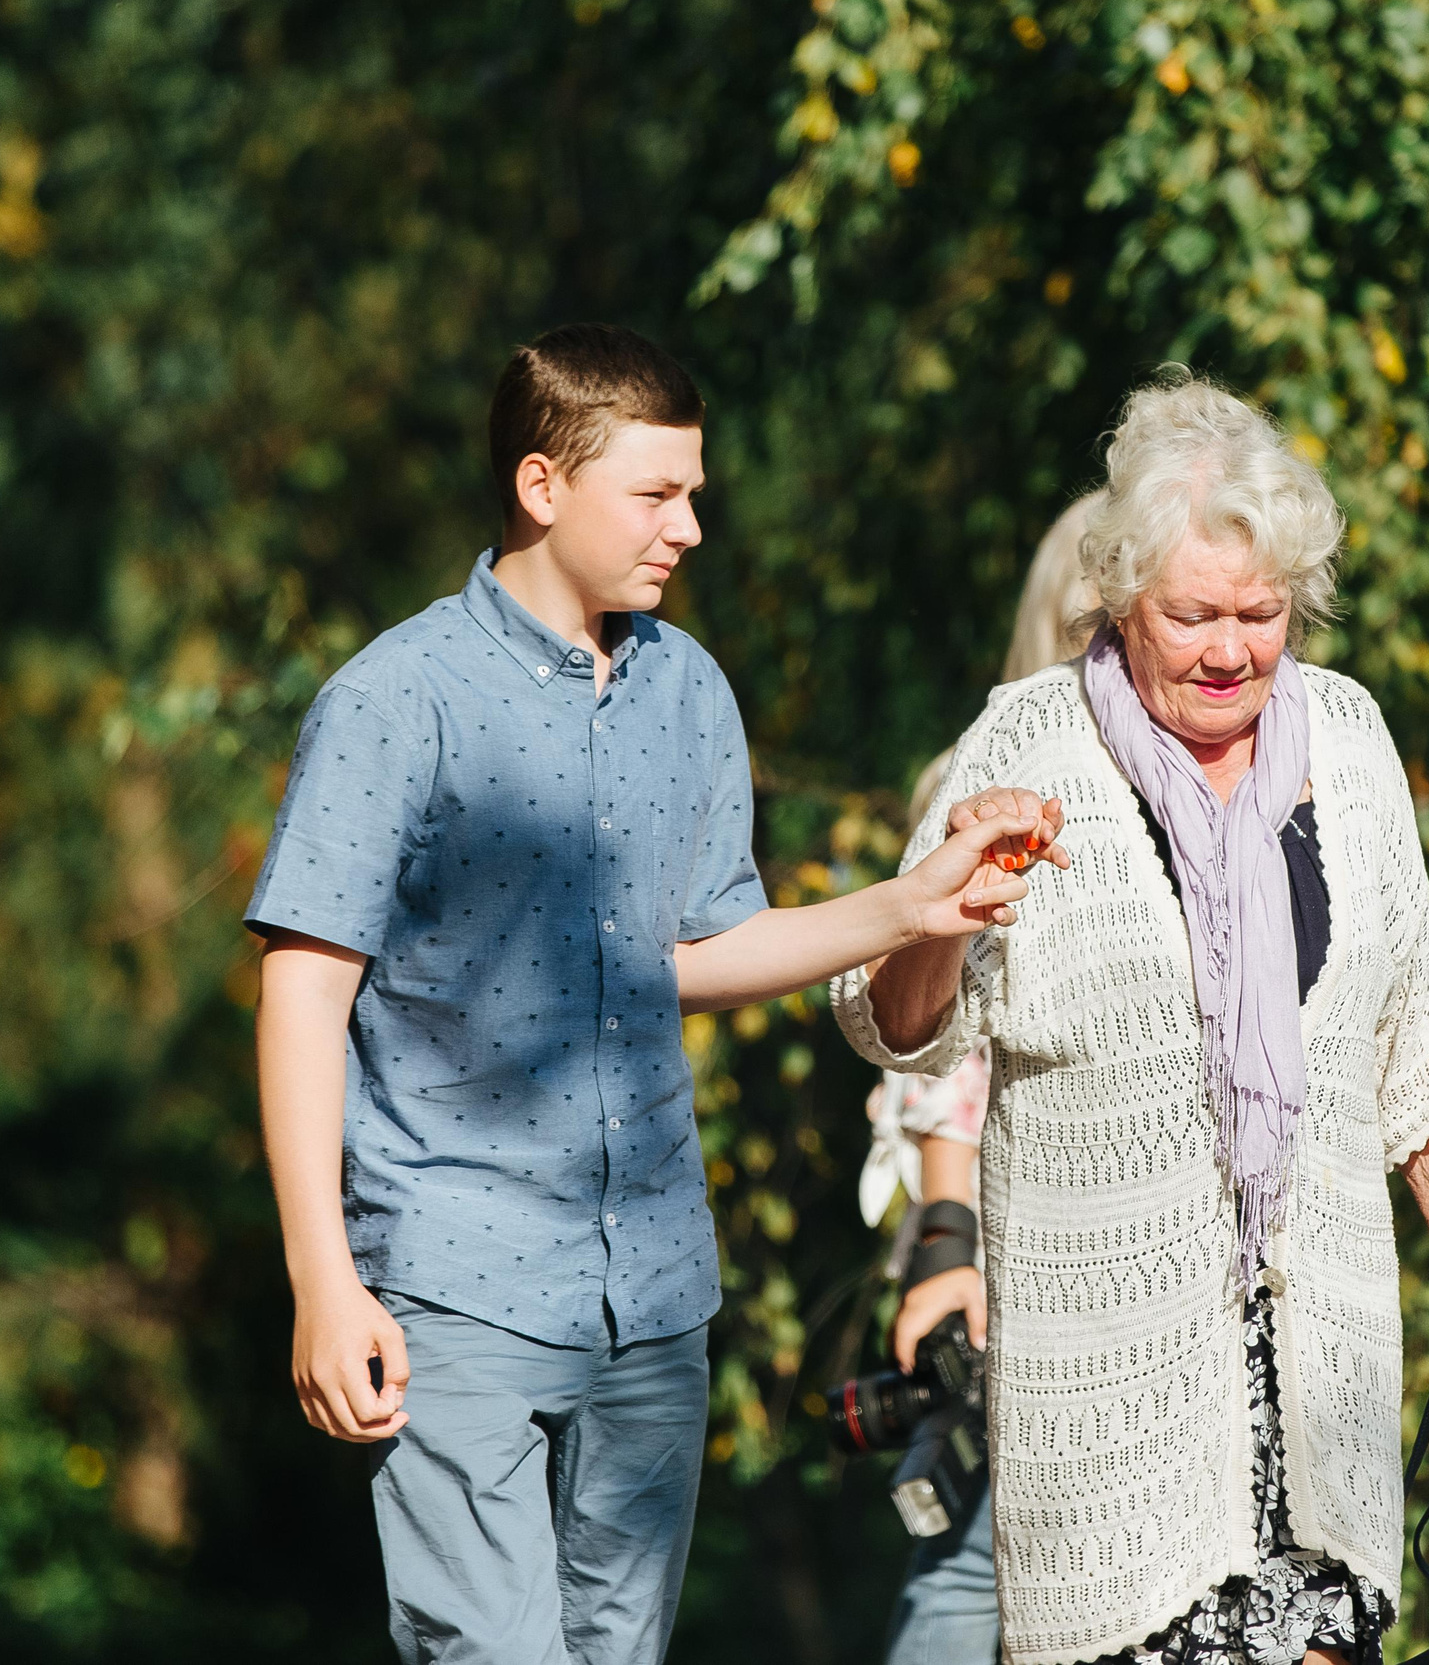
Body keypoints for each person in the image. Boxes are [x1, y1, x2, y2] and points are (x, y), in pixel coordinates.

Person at [245, 323, 1068, 1665]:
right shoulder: (392, 701)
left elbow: (694, 953)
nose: (687, 526)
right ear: (541, 485)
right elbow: (301, 998)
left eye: (693, 493)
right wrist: (320, 1278)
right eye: (656, 493)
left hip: (655, 1293)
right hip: (452, 1281)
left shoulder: (687, 690)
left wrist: (916, 904)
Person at [834, 376, 1429, 1665]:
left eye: (1261, 615)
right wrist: (944, 917)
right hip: (1111, 1419)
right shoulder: (1028, 744)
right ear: (1118, 600)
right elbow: (898, 1032)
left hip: (1321, 1387)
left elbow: (1412, 1040)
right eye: (1193, 615)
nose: (1230, 651)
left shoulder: (1351, 743)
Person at [861, 490, 1105, 1665]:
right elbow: (944, 1054)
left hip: (1140, 1250)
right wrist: (951, 1241)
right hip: (1016, 1245)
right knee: (977, 1565)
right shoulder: (984, 782)